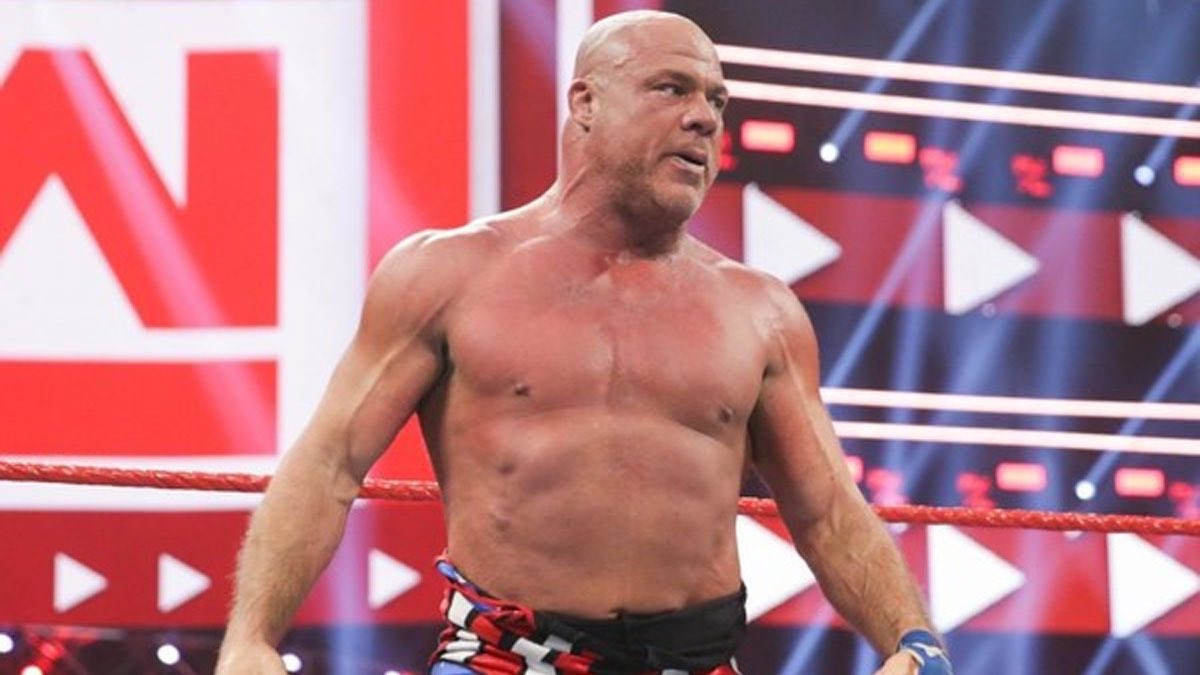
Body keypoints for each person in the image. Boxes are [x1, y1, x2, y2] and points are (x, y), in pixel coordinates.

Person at [216, 10, 952, 675]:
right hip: (505, 658)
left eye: (716, 101)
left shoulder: (760, 311)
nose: (703, 118)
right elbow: (330, 463)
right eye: (672, 88)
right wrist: (249, 638)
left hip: (696, 662)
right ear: (586, 103)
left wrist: (915, 641)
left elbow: (827, 511)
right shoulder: (448, 274)